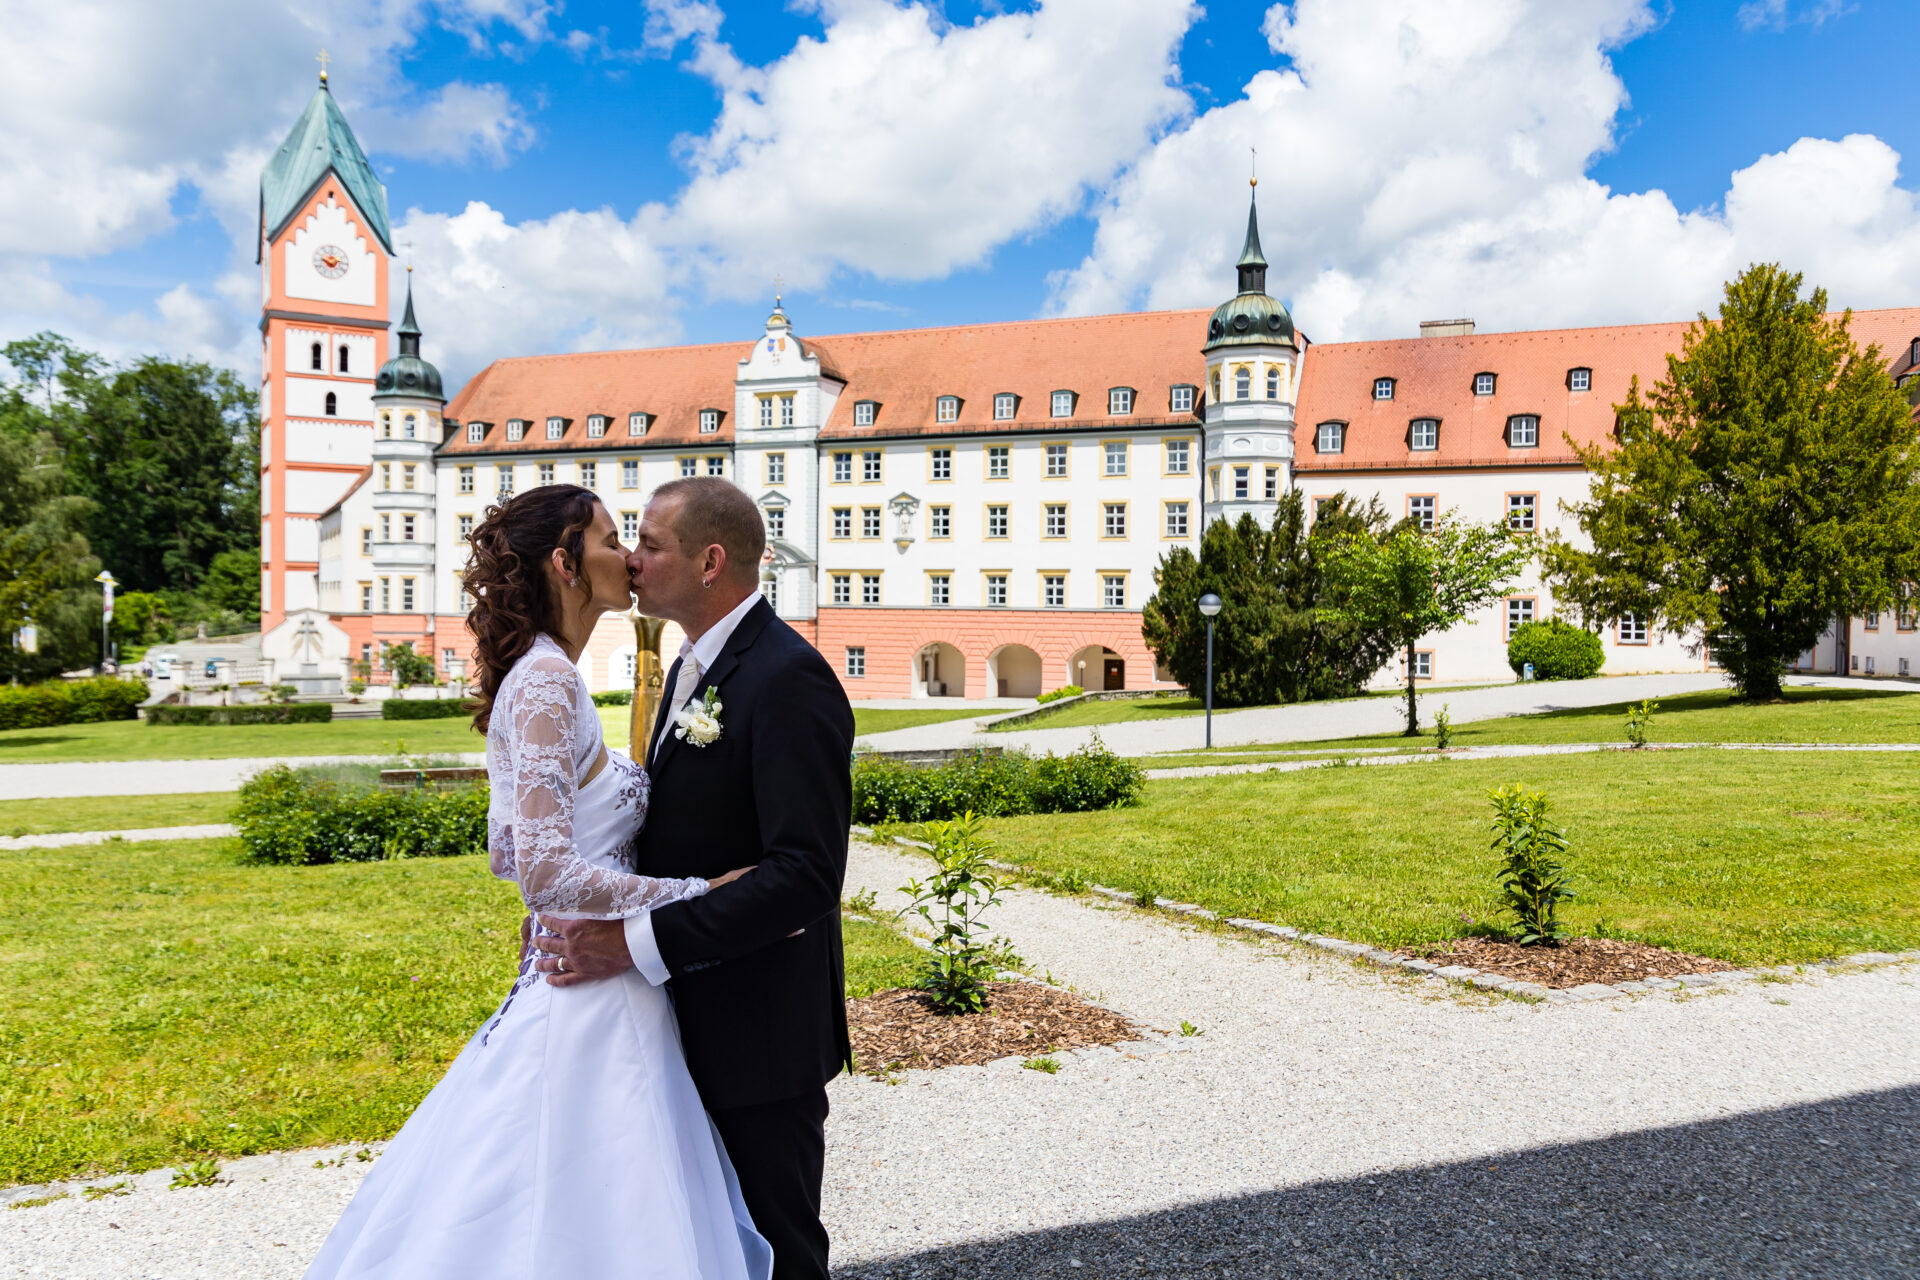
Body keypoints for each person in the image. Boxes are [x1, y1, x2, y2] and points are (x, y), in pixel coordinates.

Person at [305, 484, 772, 1280]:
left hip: (591, 972)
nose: (627, 556)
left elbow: (507, 849)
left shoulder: (543, 675)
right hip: (589, 992)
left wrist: (566, 899)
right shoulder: (549, 681)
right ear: (564, 562)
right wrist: (702, 889)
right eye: (610, 537)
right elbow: (542, 867)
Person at [533, 477, 855, 1280]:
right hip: (675, 1020)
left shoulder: (787, 678)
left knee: (776, 1247)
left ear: (711, 562)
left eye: (649, 544)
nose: (633, 562)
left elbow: (805, 876)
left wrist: (633, 943)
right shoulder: (688, 667)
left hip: (756, 1029)